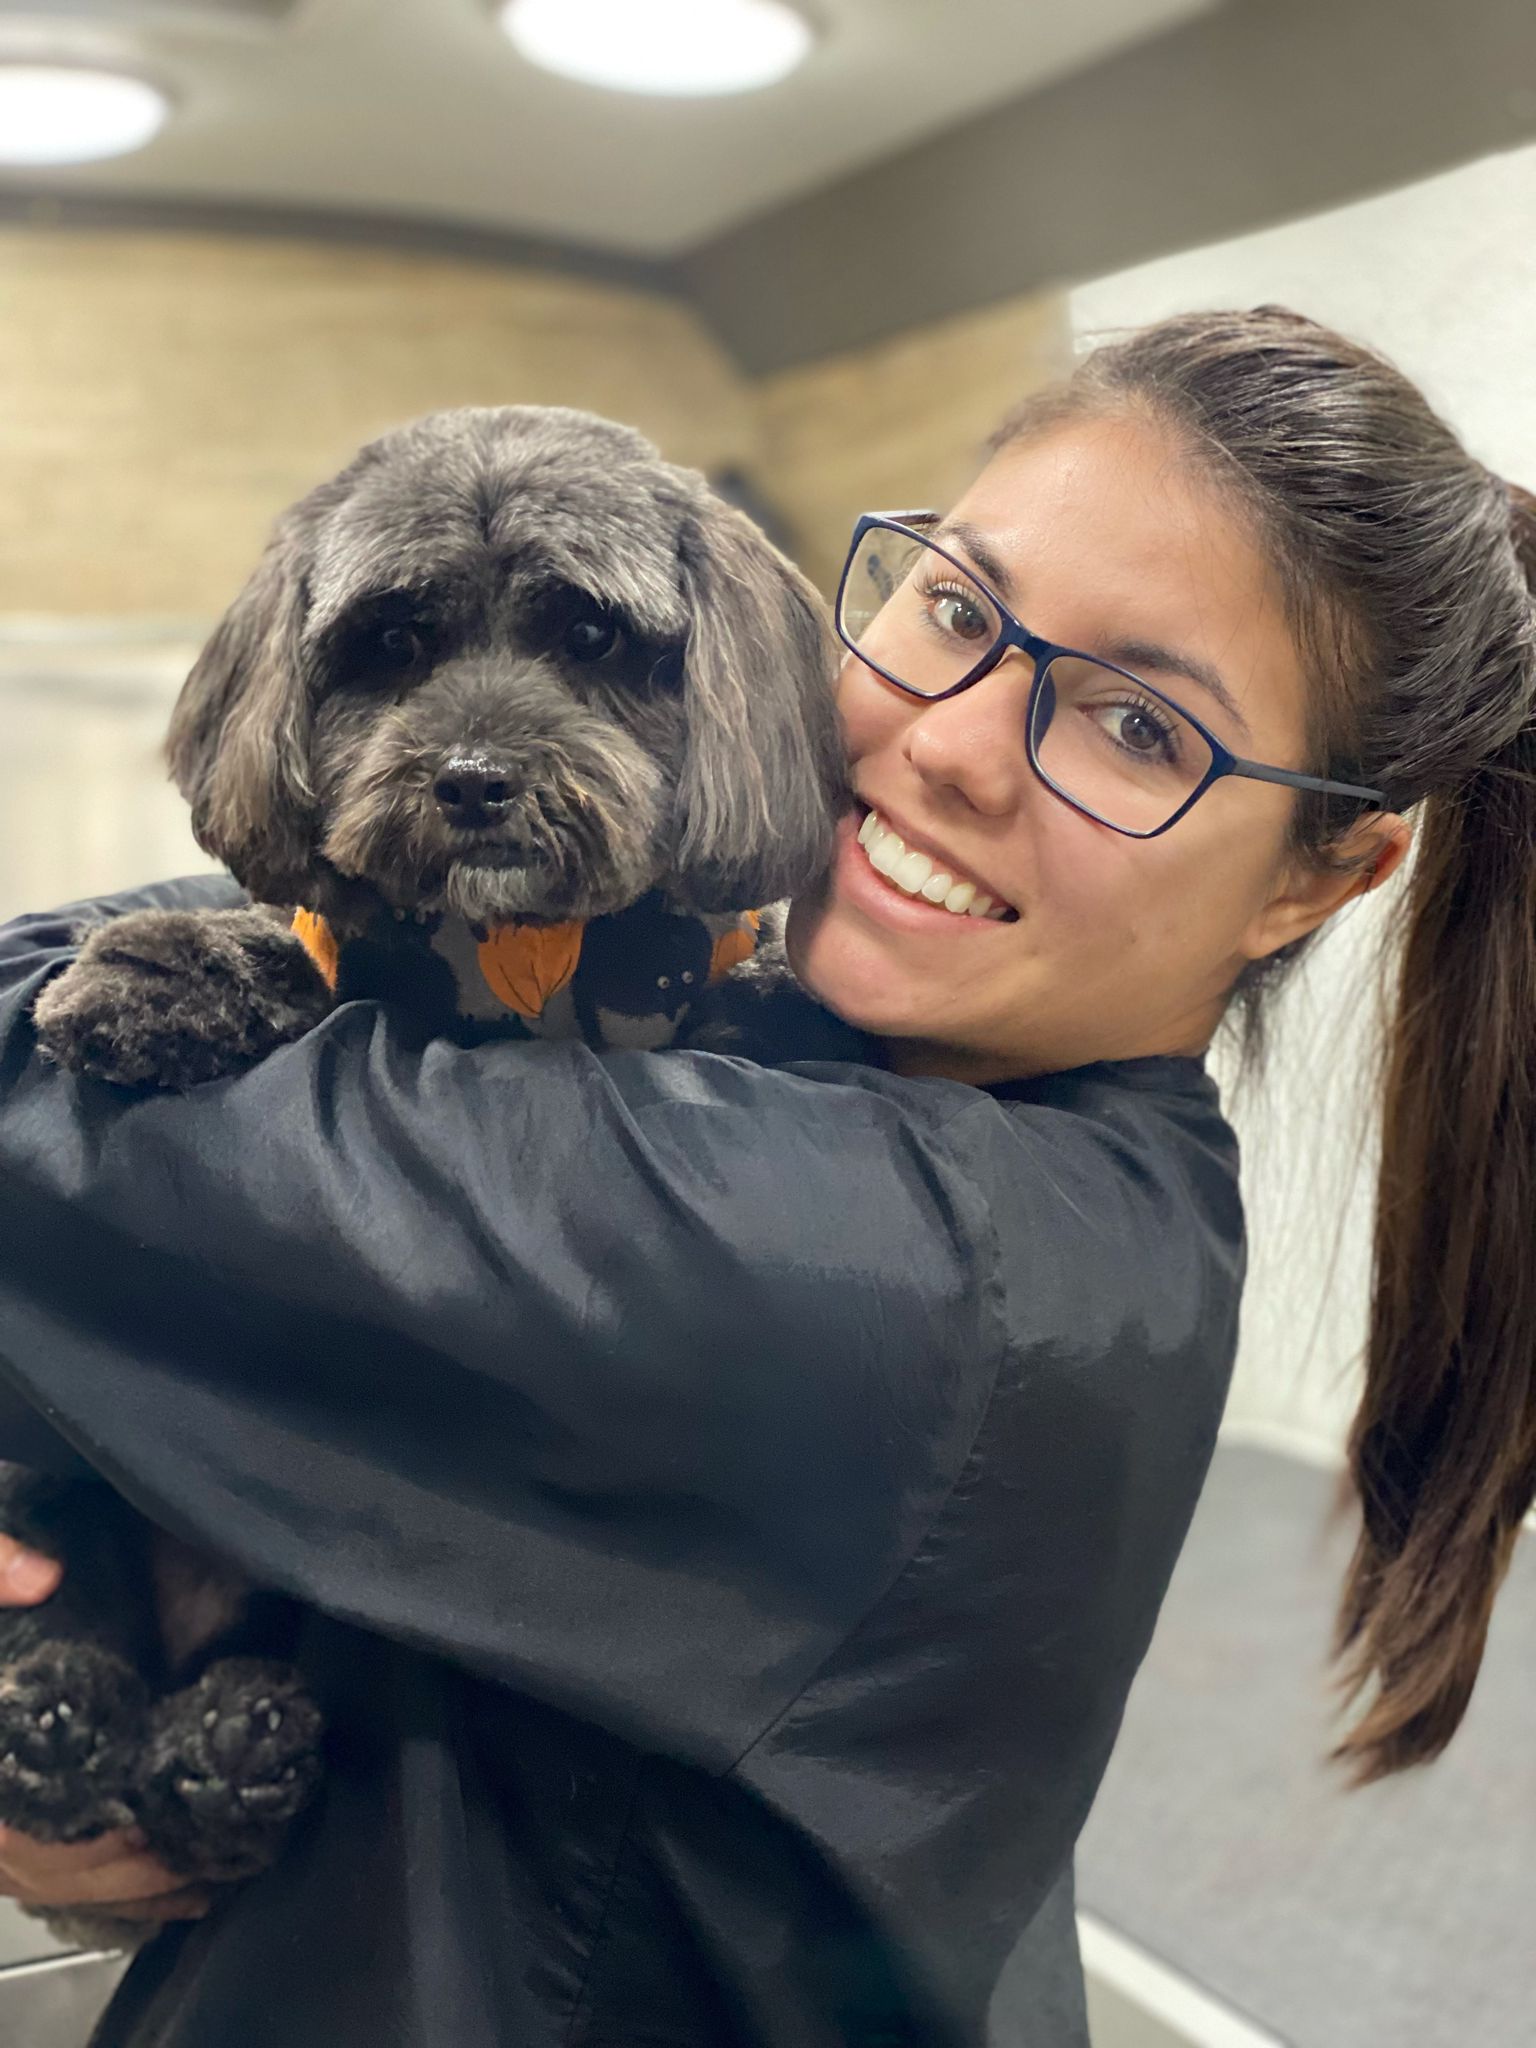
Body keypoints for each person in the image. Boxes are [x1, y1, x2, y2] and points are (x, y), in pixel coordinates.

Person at [0, 304, 1531, 2046]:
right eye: (956, 611)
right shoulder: (781, 1035)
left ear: (1318, 885)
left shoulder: (888, 1279)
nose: (951, 740)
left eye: (1136, 730)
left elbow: (40, 1109)